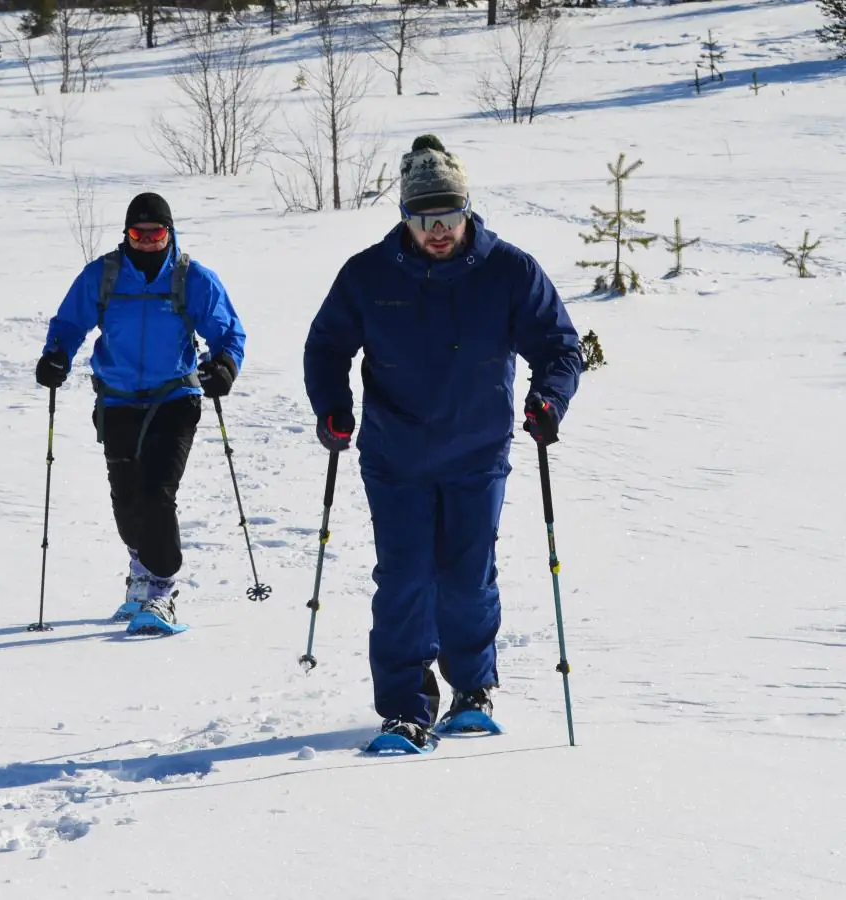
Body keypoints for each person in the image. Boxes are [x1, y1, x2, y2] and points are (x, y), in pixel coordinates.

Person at [303, 135, 582, 747]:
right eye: (425, 218)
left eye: (449, 216)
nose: (438, 230)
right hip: (394, 455)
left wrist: (548, 400)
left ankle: (472, 689)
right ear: (405, 216)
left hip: (476, 455)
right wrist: (333, 409)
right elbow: (326, 346)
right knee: (404, 578)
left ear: (467, 210)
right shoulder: (367, 275)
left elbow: (560, 346)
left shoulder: (509, 270)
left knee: (466, 577)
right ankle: (405, 707)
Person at [36, 192, 246, 630]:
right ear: (127, 234)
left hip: (174, 399)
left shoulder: (192, 279)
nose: (148, 241)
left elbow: (228, 333)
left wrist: (224, 367)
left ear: (170, 233)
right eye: (138, 233)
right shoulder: (105, 275)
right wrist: (56, 355)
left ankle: (162, 591)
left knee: (156, 494)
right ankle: (140, 570)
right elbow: (70, 323)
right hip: (116, 401)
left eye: (156, 233)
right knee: (126, 501)